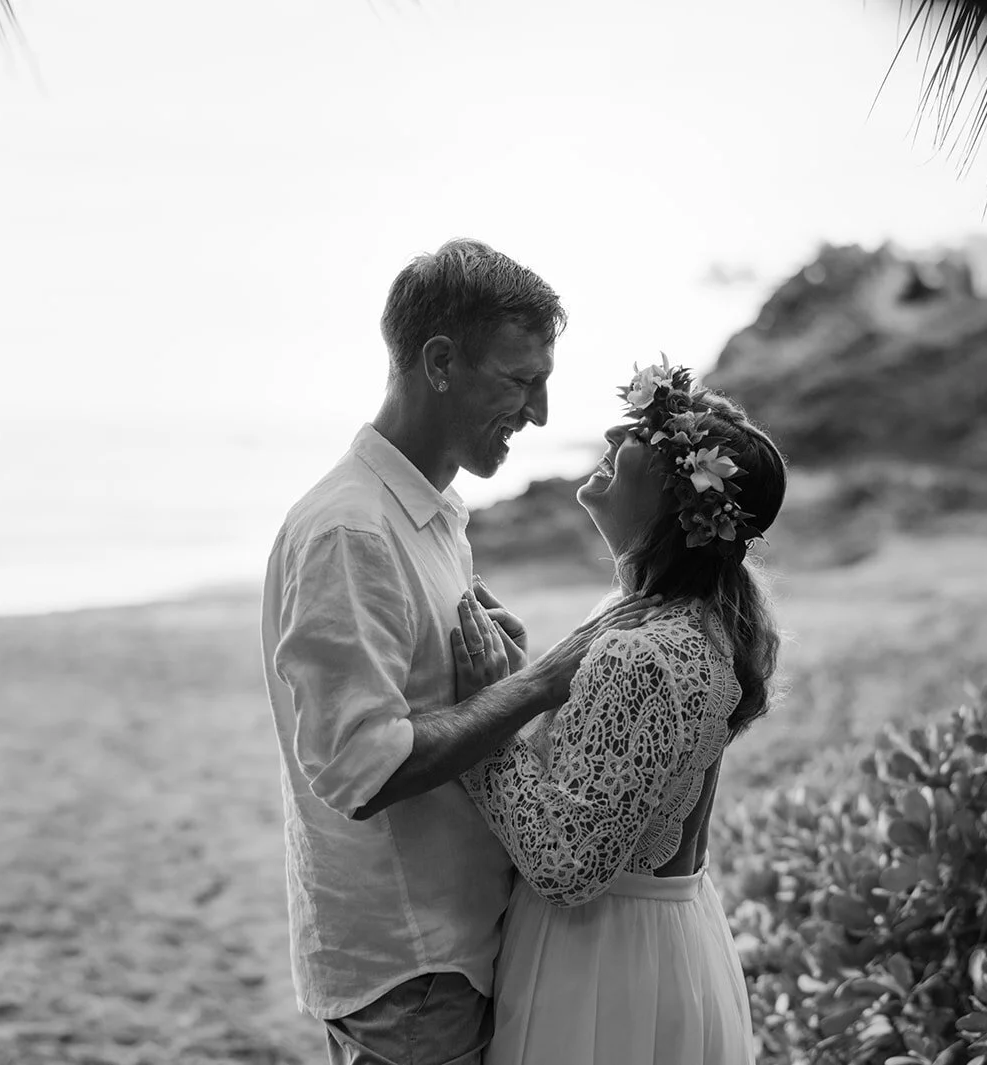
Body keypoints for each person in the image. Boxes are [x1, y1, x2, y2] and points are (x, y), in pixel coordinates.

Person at [258, 238, 659, 1065]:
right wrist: (538, 685)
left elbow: (428, 704)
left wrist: (494, 677)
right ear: (440, 362)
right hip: (411, 969)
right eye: (520, 381)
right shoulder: (350, 531)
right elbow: (362, 768)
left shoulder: (431, 514)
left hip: (455, 949)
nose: (539, 412)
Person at [454, 357, 787, 1064]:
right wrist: (528, 677)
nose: (613, 429)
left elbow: (567, 862)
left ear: (683, 496)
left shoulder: (647, 650)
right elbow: (608, 779)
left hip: (602, 966)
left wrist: (485, 714)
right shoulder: (674, 618)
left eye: (647, 432)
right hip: (664, 943)